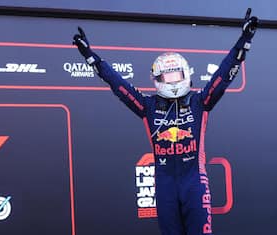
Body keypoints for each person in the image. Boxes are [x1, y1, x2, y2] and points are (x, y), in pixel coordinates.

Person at [72, 9, 258, 235]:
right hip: (165, 186)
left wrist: (244, 41)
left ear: (186, 75)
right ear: (157, 79)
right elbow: (118, 85)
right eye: (167, 76)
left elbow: (223, 75)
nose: (173, 81)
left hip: (194, 184)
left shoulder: (200, 102)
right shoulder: (147, 106)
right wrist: (92, 58)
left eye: (177, 75)